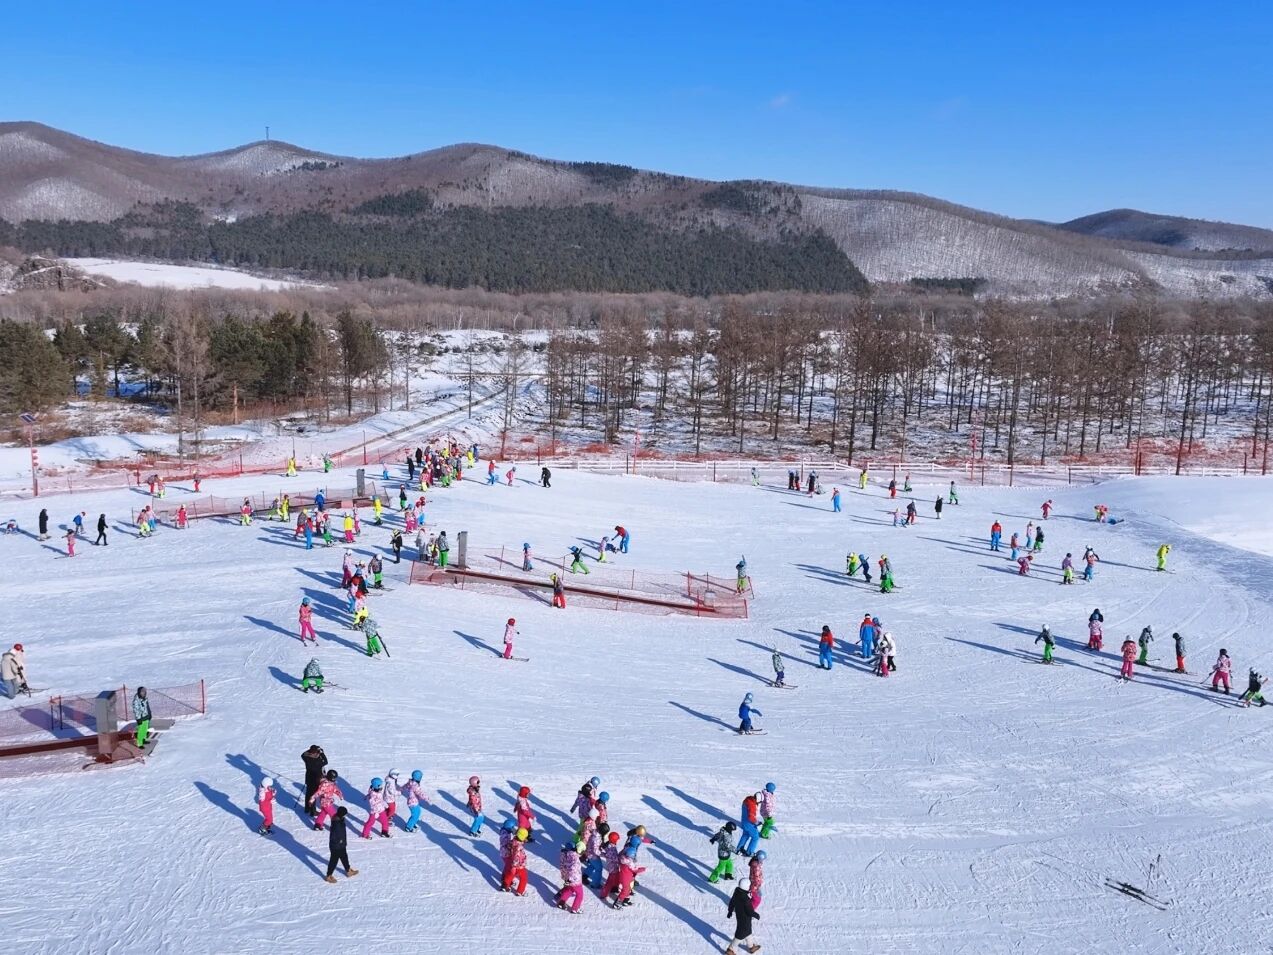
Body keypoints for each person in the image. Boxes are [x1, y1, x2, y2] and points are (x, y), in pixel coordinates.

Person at [726, 878, 761, 955]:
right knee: (740, 934)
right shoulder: (745, 899)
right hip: (745, 918)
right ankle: (730, 949)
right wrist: (756, 915)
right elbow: (749, 911)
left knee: (748, 931)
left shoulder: (737, 892)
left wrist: (730, 911)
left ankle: (751, 946)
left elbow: (732, 902)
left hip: (740, 916)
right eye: (749, 886)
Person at [324, 806, 359, 883]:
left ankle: (348, 870)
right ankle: (328, 875)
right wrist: (339, 841)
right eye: (345, 814)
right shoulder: (336, 823)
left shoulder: (340, 819)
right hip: (336, 845)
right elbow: (334, 836)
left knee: (344, 857)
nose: (345, 816)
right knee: (334, 860)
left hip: (341, 844)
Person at [556, 840, 586, 913]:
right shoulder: (575, 859)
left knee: (569, 890)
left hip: (567, 878)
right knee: (580, 894)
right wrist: (571, 879)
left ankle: (561, 902)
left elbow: (563, 867)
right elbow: (573, 870)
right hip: (575, 880)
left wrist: (567, 879)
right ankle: (575, 909)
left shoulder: (564, 855)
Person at [501, 828, 529, 895]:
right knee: (524, 878)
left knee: (511, 874)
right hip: (519, 865)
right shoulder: (519, 847)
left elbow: (509, 846)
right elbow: (516, 857)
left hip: (513, 863)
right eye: (525, 837)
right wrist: (514, 866)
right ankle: (520, 891)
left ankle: (505, 886)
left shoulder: (514, 841)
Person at [302, 744, 328, 816]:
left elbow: (303, 754)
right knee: (313, 795)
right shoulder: (317, 760)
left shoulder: (306, 757)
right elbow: (326, 761)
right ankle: (313, 811)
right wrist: (322, 753)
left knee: (308, 794)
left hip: (308, 778)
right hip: (316, 779)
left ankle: (307, 808)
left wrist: (310, 751)